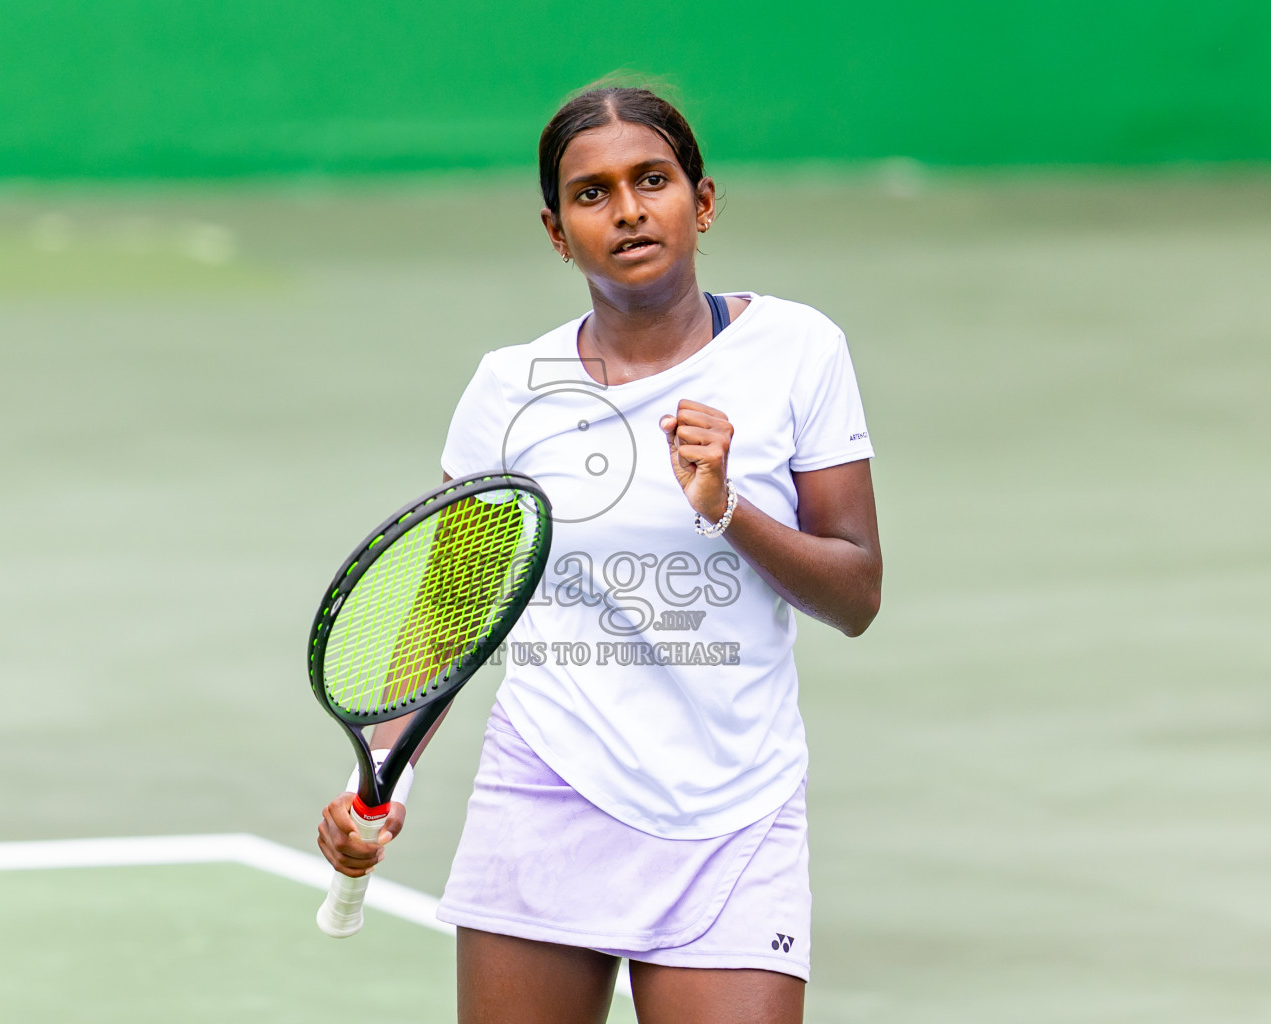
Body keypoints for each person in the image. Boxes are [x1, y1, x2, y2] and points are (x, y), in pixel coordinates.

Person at [319, 85, 882, 1024]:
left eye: (652, 180)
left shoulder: (799, 350)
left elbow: (856, 591)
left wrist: (726, 506)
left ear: (701, 203)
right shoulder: (511, 388)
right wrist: (374, 786)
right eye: (592, 193)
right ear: (556, 230)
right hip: (547, 787)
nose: (627, 209)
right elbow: (444, 617)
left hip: (736, 810)